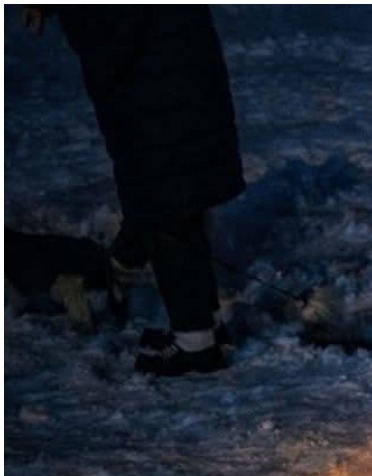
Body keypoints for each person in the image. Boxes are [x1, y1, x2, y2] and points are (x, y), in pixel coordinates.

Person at [27, 6, 245, 376]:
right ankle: (204, 326)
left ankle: (195, 342)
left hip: (153, 94)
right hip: (180, 82)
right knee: (178, 204)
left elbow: (110, 39)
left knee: (169, 208)